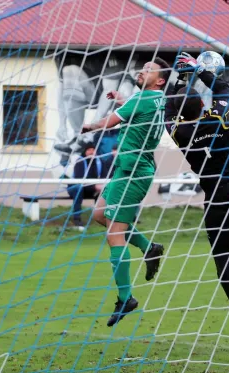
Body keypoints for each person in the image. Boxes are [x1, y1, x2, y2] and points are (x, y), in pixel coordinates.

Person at [164, 52, 229, 338]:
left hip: (217, 194)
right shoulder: (216, 118)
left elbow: (168, 112)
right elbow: (224, 89)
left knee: (221, 256)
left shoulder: (177, 132)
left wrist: (178, 81)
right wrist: (197, 69)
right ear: (202, 104)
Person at [82, 58, 169, 327]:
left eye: (149, 69)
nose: (142, 70)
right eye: (142, 66)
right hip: (128, 169)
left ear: (160, 80)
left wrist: (91, 126)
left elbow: (108, 123)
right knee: (99, 214)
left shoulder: (139, 98)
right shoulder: (158, 100)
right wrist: (122, 100)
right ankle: (149, 247)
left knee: (113, 232)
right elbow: (138, 116)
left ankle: (126, 298)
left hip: (132, 172)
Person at [67, 143, 110, 230]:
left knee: (106, 190)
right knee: (78, 189)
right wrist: (94, 187)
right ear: (85, 151)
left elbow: (104, 177)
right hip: (77, 188)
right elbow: (79, 180)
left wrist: (101, 186)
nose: (91, 152)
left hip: (93, 189)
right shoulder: (80, 162)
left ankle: (103, 217)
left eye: (93, 150)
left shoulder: (100, 161)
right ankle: (77, 218)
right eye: (89, 150)